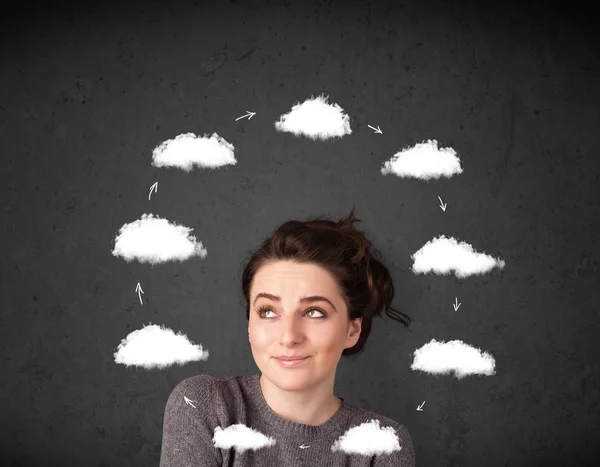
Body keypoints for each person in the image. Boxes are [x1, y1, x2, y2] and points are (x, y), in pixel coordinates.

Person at [160, 208, 415, 466]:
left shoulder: (384, 447)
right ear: (250, 324)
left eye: (314, 312)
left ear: (352, 330)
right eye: (268, 311)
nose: (288, 336)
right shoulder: (202, 405)